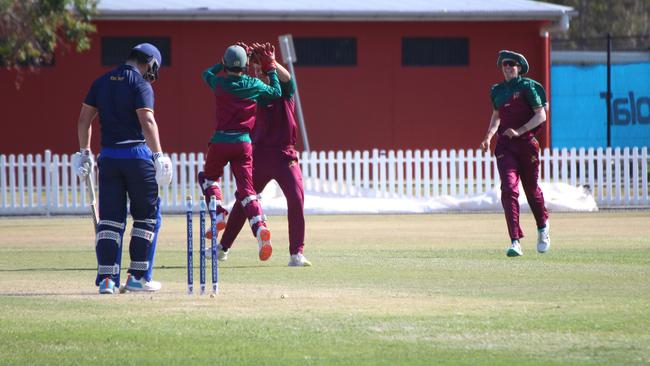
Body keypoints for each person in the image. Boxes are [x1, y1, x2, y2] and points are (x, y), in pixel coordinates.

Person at [72, 43, 173, 294]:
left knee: (111, 221)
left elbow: (84, 119)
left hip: (109, 156)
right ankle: (137, 278)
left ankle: (107, 280)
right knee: (147, 218)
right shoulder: (140, 84)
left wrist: (84, 152)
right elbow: (147, 120)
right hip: (137, 156)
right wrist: (159, 155)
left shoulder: (102, 81)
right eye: (154, 66)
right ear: (148, 61)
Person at [216, 42, 311, 267]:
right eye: (255, 70)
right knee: (244, 200)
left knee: (296, 199)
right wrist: (241, 60)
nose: (260, 74)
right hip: (259, 155)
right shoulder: (253, 90)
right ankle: (223, 247)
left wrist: (273, 63)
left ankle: (296, 253)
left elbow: (288, 79)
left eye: (263, 70)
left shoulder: (284, 89)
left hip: (285, 155)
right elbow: (232, 81)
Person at [198, 42, 282, 261]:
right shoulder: (253, 84)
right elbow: (276, 92)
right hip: (243, 143)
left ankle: (217, 215)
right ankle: (260, 227)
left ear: (226, 63)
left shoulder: (218, 83)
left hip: (220, 141)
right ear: (245, 65)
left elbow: (205, 73)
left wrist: (221, 64)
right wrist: (270, 67)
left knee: (208, 179)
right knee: (247, 191)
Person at [480, 50, 551, 257]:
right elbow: (496, 116)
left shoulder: (527, 87)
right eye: (505, 64)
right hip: (505, 147)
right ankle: (515, 241)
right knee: (509, 190)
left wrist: (519, 131)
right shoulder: (497, 91)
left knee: (531, 190)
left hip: (527, 145)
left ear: (519, 67)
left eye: (512, 64)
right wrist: (488, 136)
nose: (508, 67)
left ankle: (543, 226)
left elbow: (541, 115)